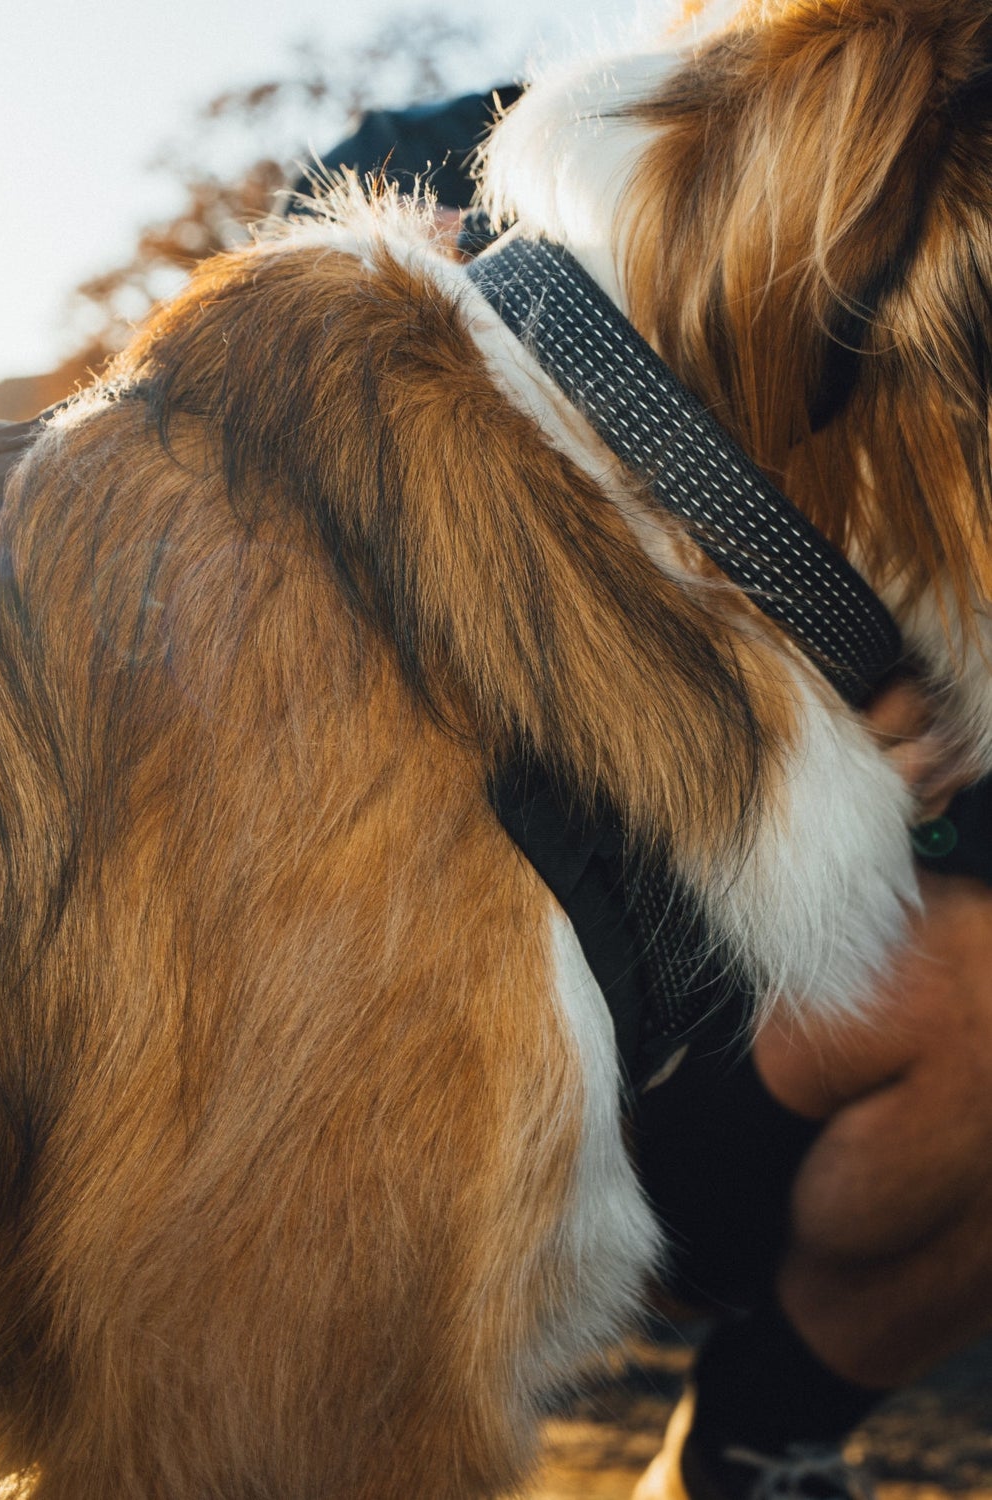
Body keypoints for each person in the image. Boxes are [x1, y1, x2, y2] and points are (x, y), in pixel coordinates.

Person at [299, 95, 992, 1500]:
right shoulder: (582, 154)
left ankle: (754, 1450)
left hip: (762, 987)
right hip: (443, 922)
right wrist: (403, 276)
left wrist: (936, 733)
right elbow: (351, 205)